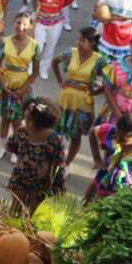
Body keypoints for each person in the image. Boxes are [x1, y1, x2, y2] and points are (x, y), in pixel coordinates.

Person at [52, 27, 105, 167]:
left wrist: (96, 91)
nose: (78, 42)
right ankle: (55, 160)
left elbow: (108, 81)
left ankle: (66, 164)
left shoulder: (100, 61)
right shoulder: (70, 53)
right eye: (79, 39)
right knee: (57, 133)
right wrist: (59, 81)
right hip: (65, 99)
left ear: (92, 43)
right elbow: (54, 62)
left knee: (76, 136)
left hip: (83, 104)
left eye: (83, 40)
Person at [0, 13, 40, 162]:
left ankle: (16, 148)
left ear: (30, 26)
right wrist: (3, 86)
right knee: (5, 118)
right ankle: (1, 146)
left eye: (24, 24)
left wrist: (23, 89)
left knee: (18, 120)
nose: (21, 27)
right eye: (18, 23)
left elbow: (35, 72)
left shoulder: (34, 46)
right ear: (14, 23)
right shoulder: (4, 41)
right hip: (5, 85)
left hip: (22, 87)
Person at [6, 98, 66, 211]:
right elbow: (11, 145)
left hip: (42, 184)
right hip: (20, 178)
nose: (25, 123)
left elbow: (59, 164)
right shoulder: (21, 132)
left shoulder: (54, 140)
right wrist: (21, 158)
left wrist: (58, 187)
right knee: (15, 209)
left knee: (33, 213)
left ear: (40, 124)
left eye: (28, 121)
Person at [32, 0, 76, 80]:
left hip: (56, 18)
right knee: (37, 44)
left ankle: (44, 68)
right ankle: (32, 66)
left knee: (51, 44)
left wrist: (57, 5)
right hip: (42, 16)